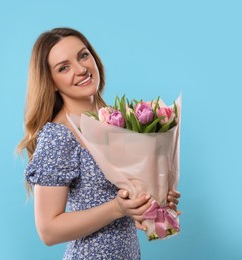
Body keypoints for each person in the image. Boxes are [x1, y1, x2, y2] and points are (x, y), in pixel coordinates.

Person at [17, 27, 181, 259]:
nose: (81, 69)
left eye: (83, 55)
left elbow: (117, 200)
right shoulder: (59, 136)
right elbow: (48, 231)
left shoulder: (114, 120)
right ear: (51, 82)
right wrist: (117, 208)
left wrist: (153, 202)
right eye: (64, 68)